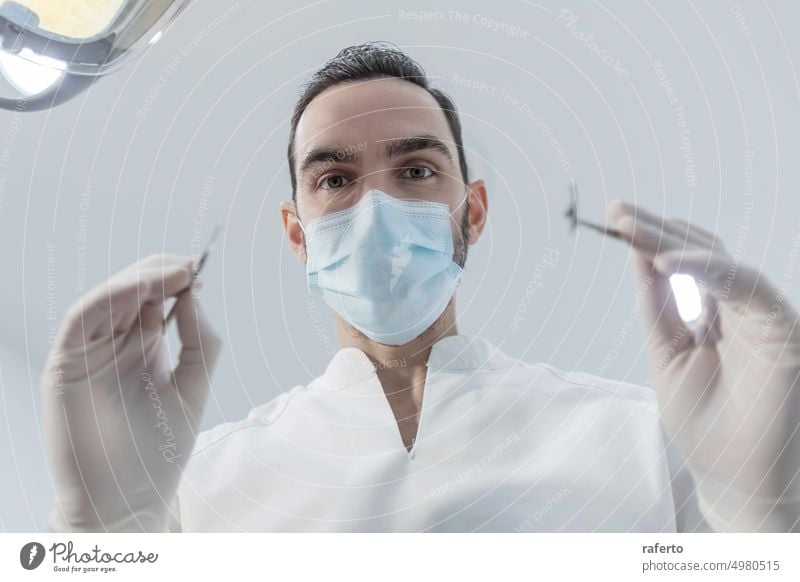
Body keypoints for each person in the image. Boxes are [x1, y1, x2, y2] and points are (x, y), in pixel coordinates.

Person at [41, 42, 800, 533]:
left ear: (470, 211)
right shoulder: (202, 486)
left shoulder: (643, 440)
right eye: (335, 178)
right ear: (297, 233)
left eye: (415, 171)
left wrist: (759, 517)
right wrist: (103, 534)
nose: (376, 208)